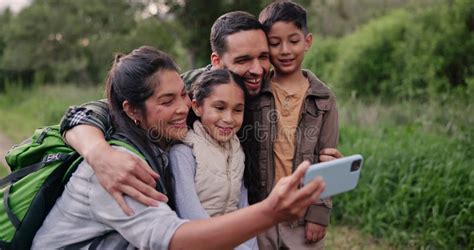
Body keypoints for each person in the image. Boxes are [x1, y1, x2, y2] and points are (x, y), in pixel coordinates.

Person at [31, 46, 326, 249]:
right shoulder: (117, 167)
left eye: (183, 95)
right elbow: (174, 240)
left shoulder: (162, 137)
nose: (183, 108)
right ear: (132, 110)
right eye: (166, 101)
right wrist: (270, 212)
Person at [58, 11, 342, 219]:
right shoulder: (192, 88)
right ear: (217, 62)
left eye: (263, 56)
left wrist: (323, 160)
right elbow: (92, 111)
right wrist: (99, 154)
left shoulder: (272, 86)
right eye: (243, 60)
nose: (257, 69)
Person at [246, 1, 340, 249]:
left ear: (307, 41)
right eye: (275, 43)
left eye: (294, 41)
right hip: (259, 212)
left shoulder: (323, 98)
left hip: (300, 215)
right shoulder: (253, 91)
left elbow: (327, 160)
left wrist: (319, 215)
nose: (285, 50)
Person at [169, 69, 257, 249]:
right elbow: (191, 215)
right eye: (219, 108)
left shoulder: (238, 150)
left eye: (237, 110)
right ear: (197, 107)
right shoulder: (183, 153)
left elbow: (244, 209)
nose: (229, 119)